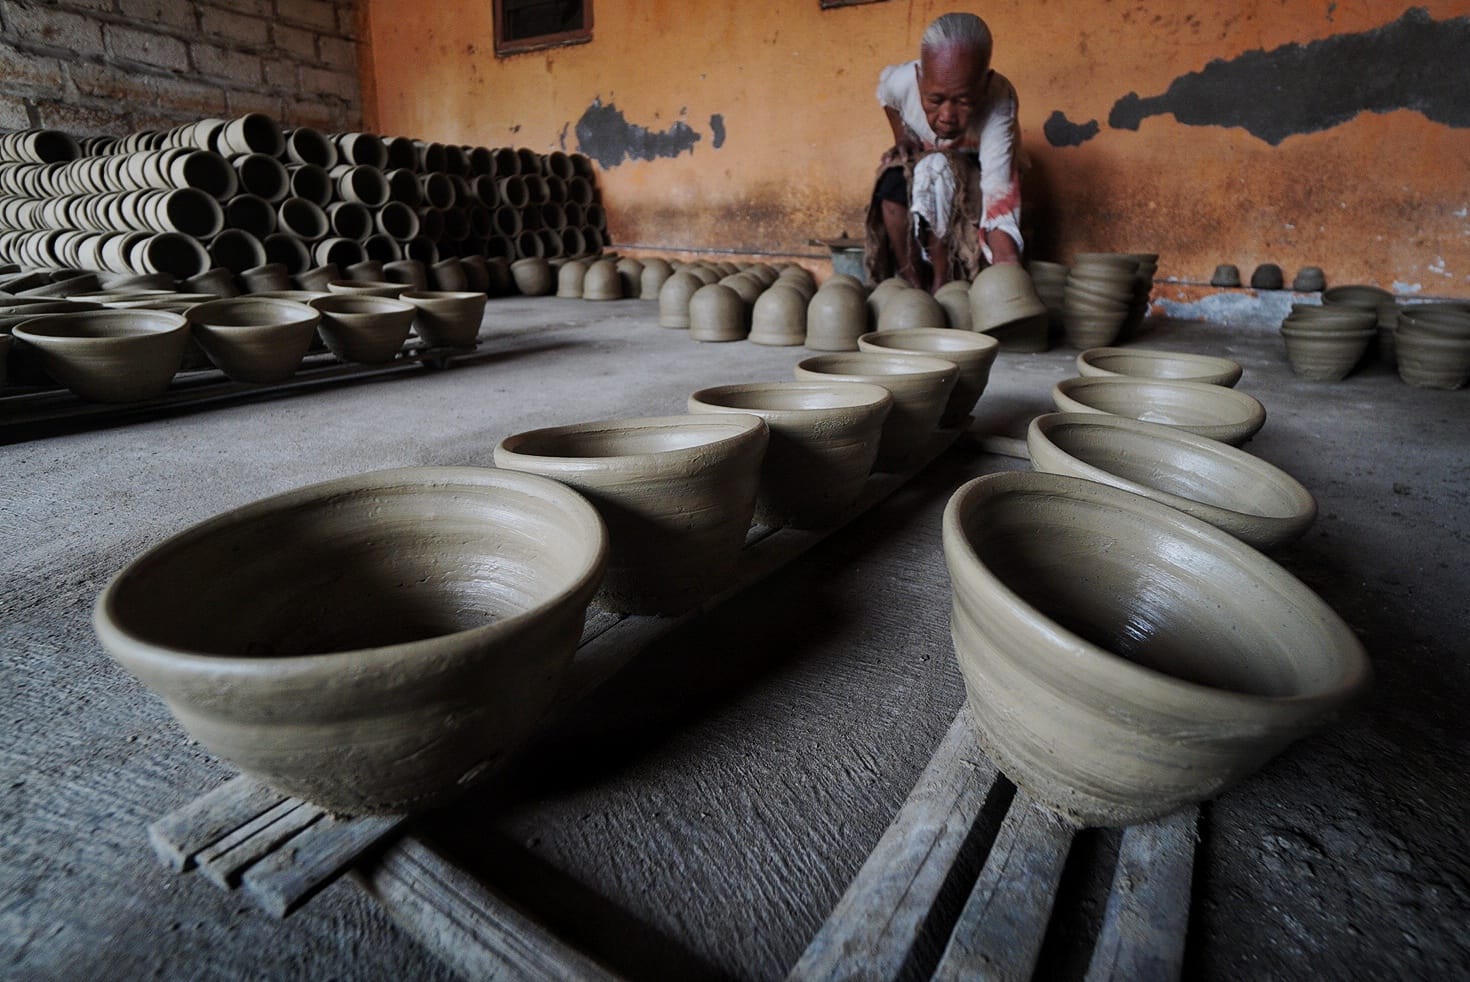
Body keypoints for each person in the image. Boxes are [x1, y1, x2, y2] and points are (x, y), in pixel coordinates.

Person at [864, 12, 1023, 291]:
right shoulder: (902, 81)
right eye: (935, 100)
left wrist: (1007, 265)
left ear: (985, 85)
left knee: (937, 173)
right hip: (928, 157)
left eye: (963, 101)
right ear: (919, 79)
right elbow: (886, 97)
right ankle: (913, 283)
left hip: (975, 163)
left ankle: (944, 284)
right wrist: (902, 136)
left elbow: (998, 192)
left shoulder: (999, 100)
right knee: (891, 185)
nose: (947, 116)